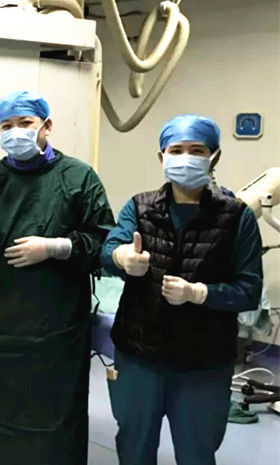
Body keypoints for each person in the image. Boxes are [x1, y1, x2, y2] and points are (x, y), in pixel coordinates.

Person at [0, 90, 114, 465]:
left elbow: (103, 241)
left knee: (50, 419)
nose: (15, 132)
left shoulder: (78, 177)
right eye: (7, 125)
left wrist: (57, 247)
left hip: (53, 328)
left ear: (47, 126)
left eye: (25, 123)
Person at [100, 115, 263, 465]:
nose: (185, 157)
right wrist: (122, 257)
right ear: (161, 157)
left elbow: (249, 290)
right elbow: (107, 251)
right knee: (134, 447)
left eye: (196, 150)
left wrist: (200, 293)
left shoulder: (237, 217)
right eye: (176, 150)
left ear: (214, 156)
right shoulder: (140, 207)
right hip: (140, 355)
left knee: (196, 453)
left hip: (203, 363)